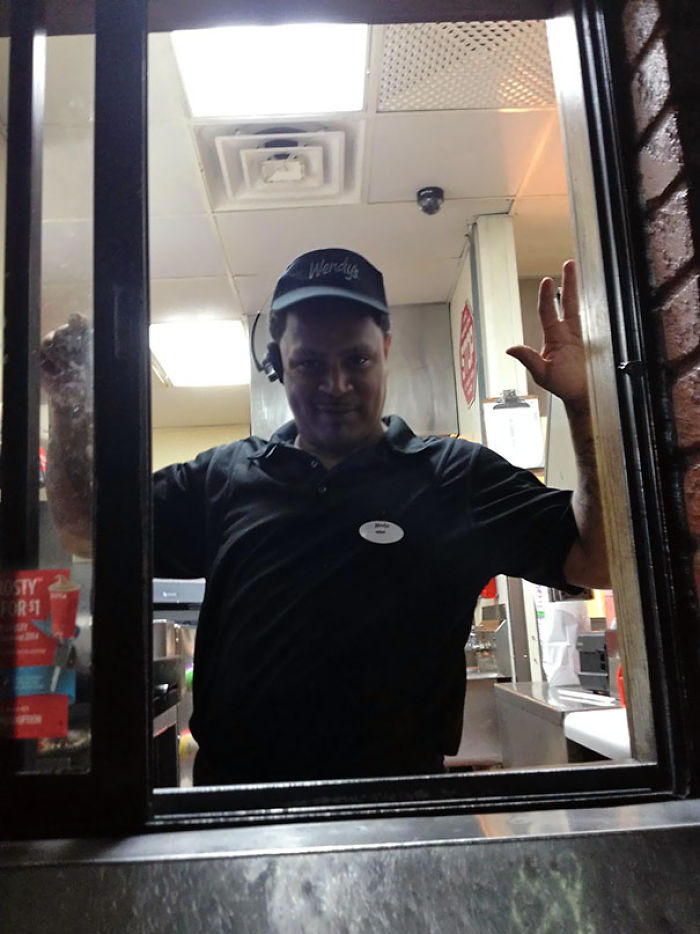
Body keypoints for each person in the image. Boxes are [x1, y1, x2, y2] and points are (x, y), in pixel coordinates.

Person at [41, 247, 609, 785]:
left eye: (356, 359)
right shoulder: (223, 478)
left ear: (386, 348)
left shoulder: (458, 477)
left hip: (399, 807)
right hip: (241, 810)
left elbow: (597, 561)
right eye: (309, 362)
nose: (335, 386)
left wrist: (588, 406)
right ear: (278, 363)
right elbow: (84, 528)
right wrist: (66, 404)